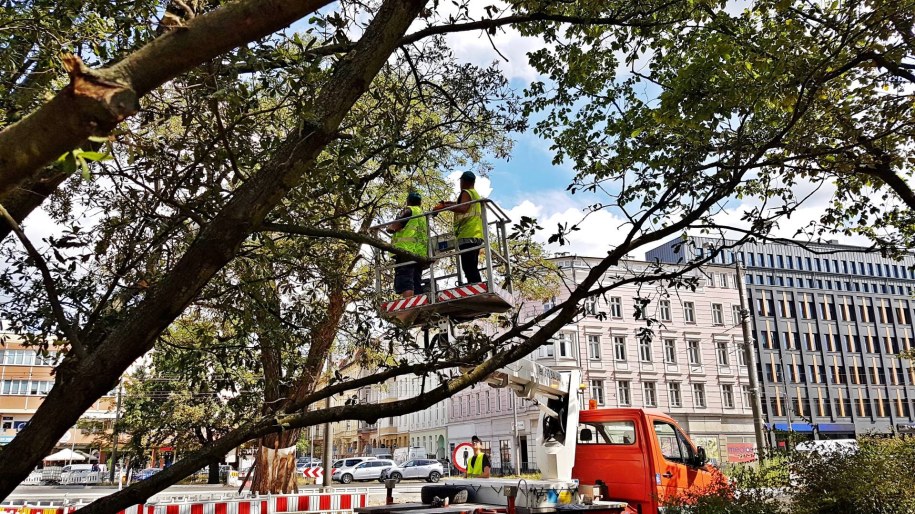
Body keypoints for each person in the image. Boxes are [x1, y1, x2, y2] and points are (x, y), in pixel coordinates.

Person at [433, 171, 483, 284]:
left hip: (468, 233)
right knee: (471, 265)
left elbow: (463, 207)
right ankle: (475, 285)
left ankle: (475, 287)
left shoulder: (466, 192)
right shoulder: (474, 194)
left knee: (468, 266)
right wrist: (447, 203)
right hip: (476, 234)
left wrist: (444, 207)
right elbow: (460, 204)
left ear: (463, 181)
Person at [386, 191, 428, 298]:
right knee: (415, 280)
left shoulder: (408, 210)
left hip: (405, 251)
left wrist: (389, 227)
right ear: (420, 203)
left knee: (405, 280)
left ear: (408, 201)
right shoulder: (422, 215)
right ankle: (418, 303)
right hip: (419, 253)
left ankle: (409, 304)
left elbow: (395, 226)